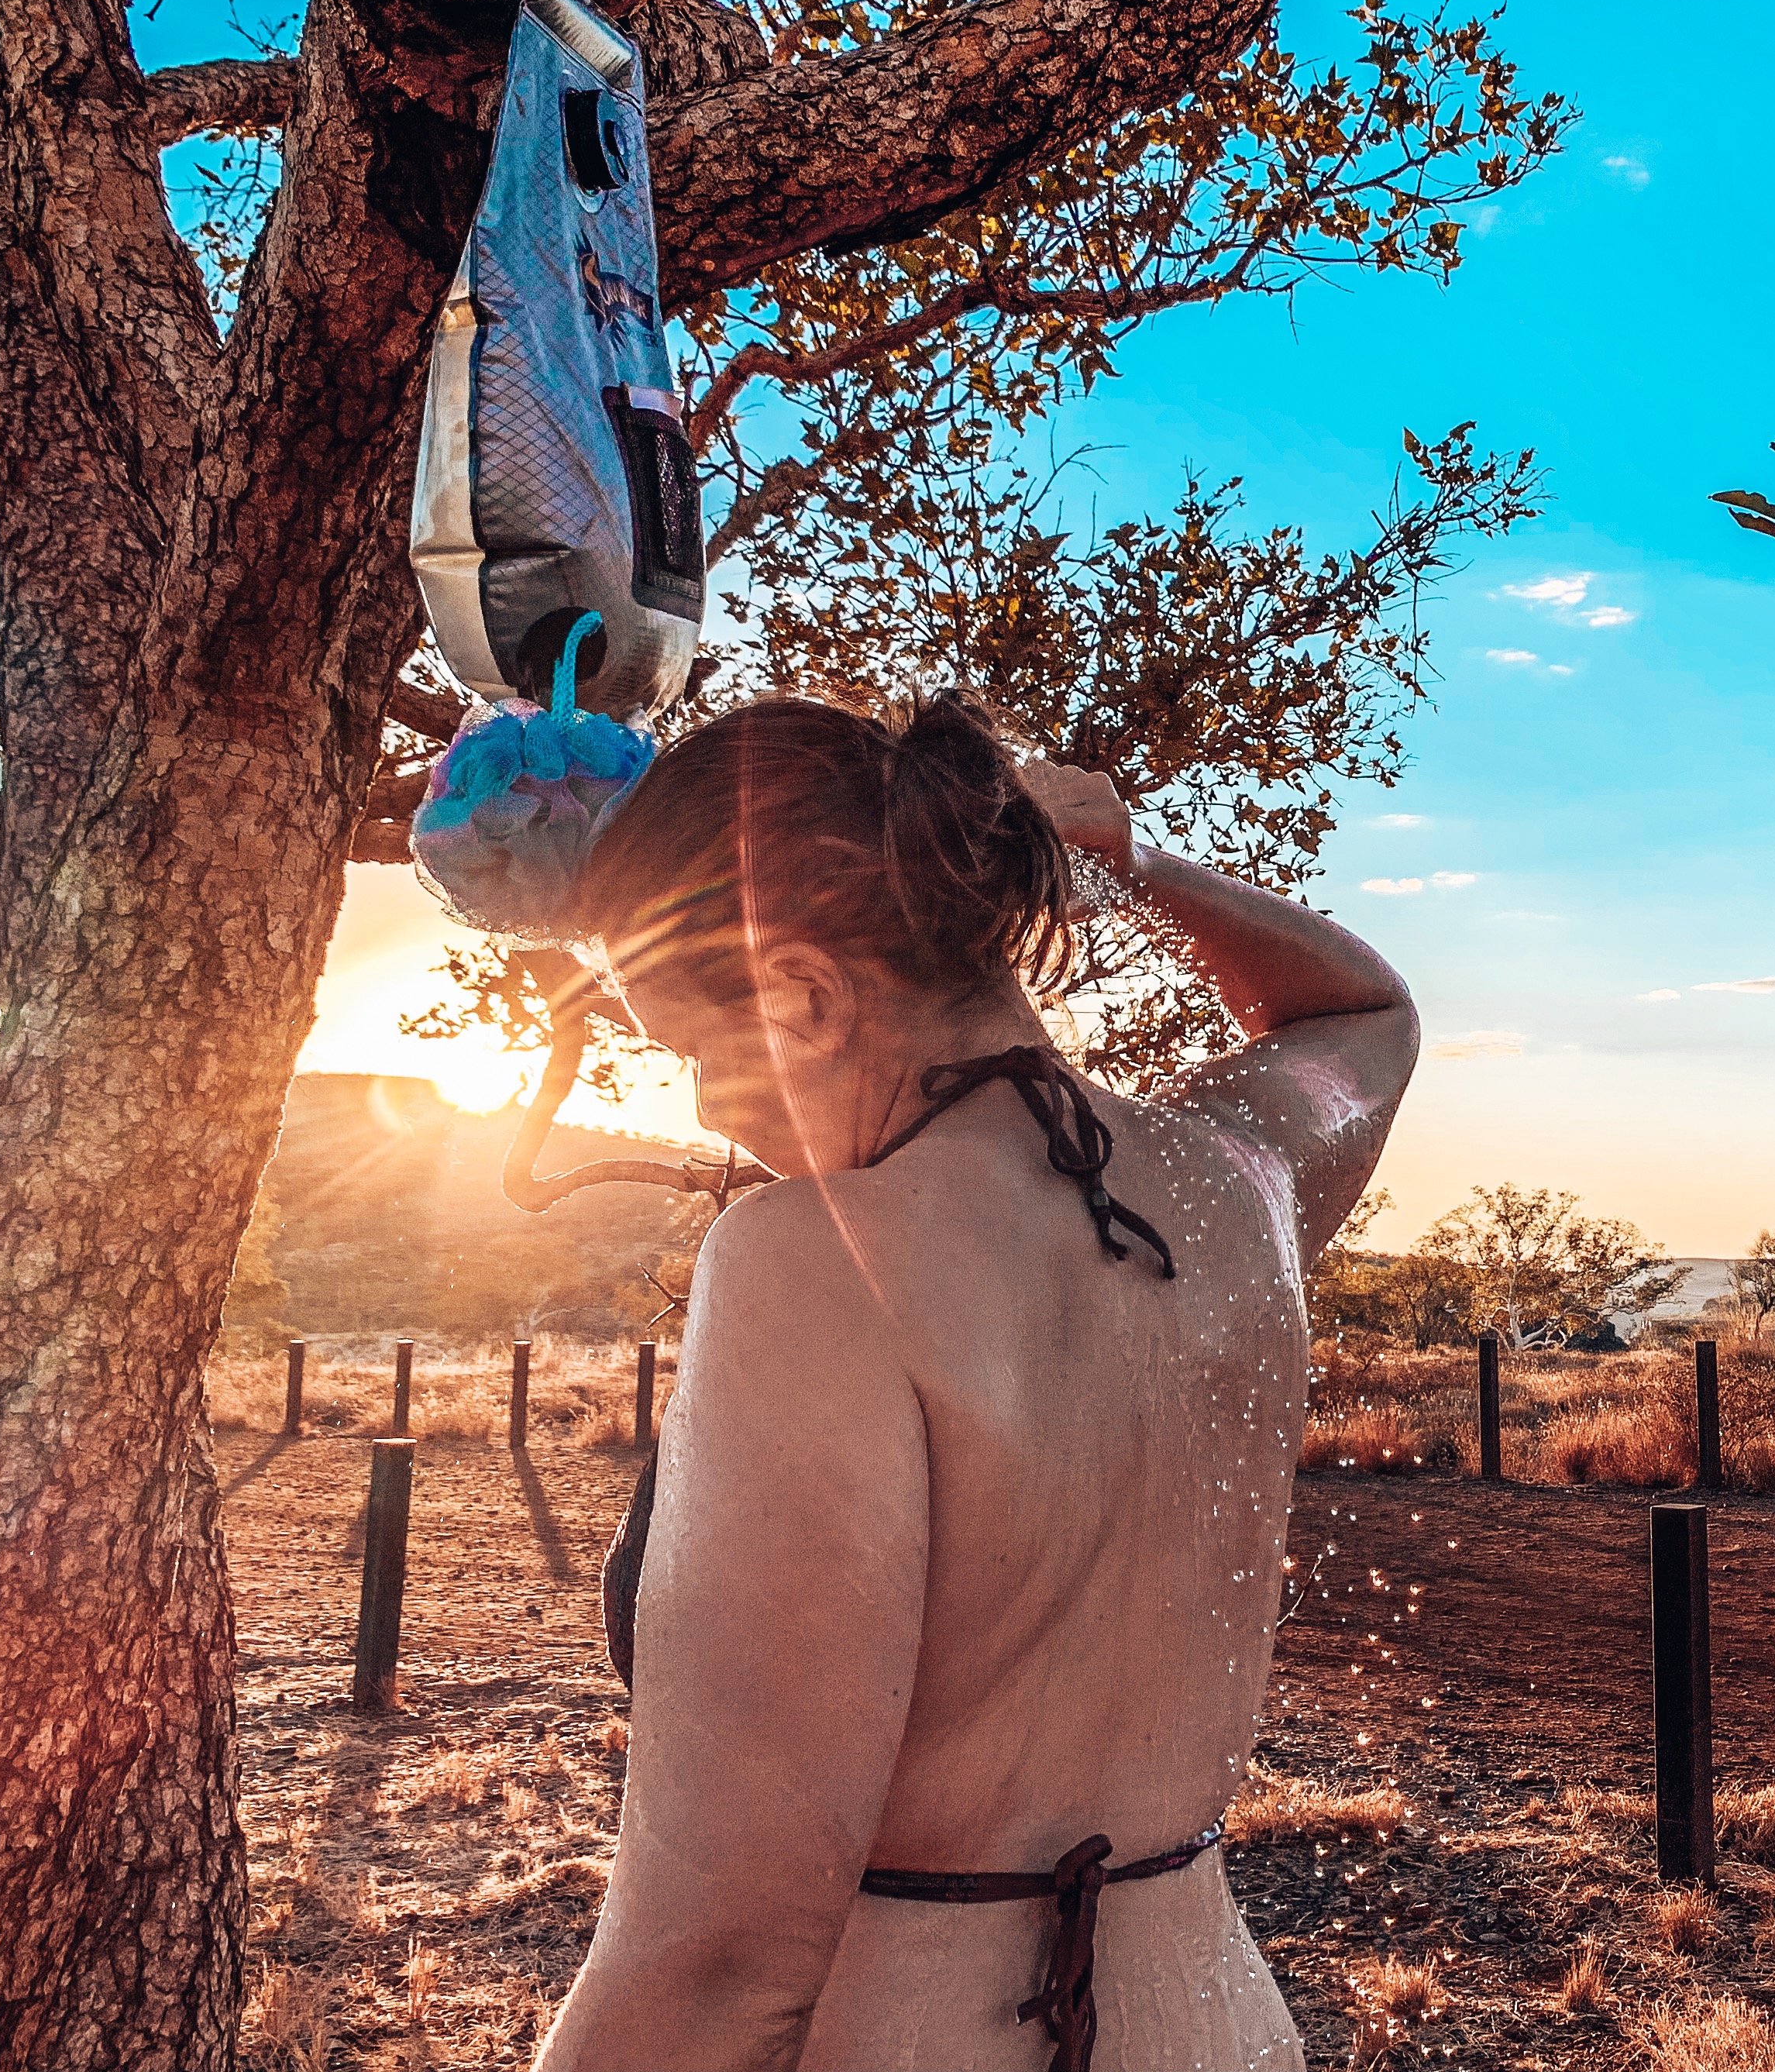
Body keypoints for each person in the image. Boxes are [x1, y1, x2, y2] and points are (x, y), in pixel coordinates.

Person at [528, 693, 1416, 2072]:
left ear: (806, 995)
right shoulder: (1238, 1189)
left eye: (693, 1050)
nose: (704, 1106)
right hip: (1222, 2033)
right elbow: (1365, 1013)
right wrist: (1138, 860)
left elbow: (715, 1961)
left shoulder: (813, 1270)